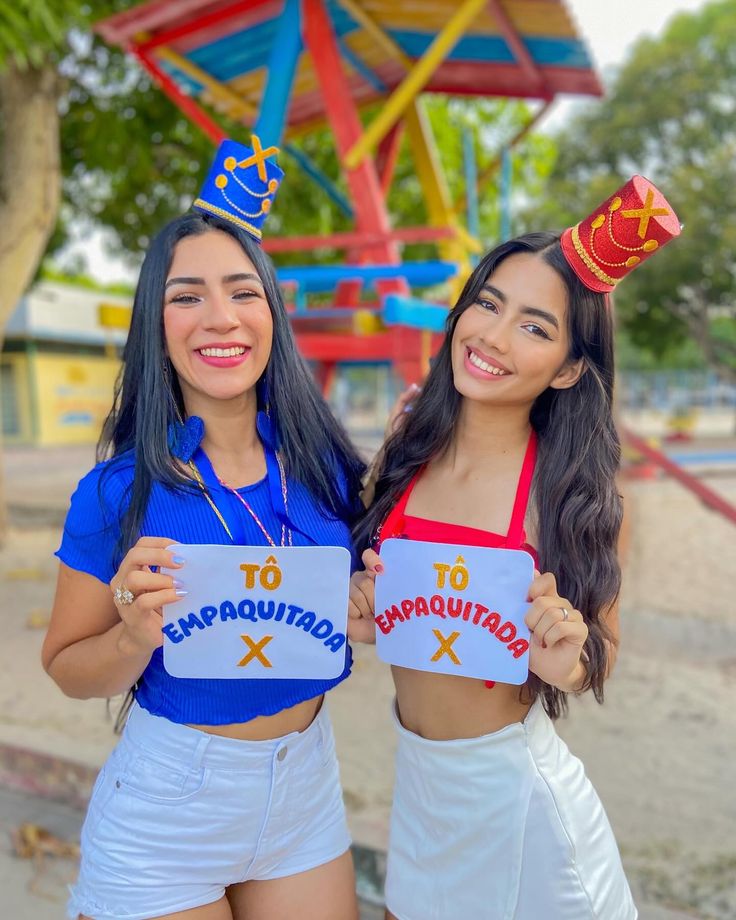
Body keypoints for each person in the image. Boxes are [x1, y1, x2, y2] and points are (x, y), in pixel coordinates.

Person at [42, 137, 366, 920]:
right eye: (187, 296)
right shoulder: (116, 492)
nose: (220, 318)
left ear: (272, 311)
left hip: (306, 793)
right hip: (169, 805)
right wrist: (130, 637)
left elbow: (372, 591)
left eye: (242, 291)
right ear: (156, 322)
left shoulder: (327, 465)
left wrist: (366, 603)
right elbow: (65, 666)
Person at [348, 177, 681, 919]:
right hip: (419, 795)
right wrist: (361, 605)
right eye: (488, 304)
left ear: (566, 368)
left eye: (534, 326)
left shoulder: (572, 497)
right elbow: (376, 595)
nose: (493, 337)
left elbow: (599, 652)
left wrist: (566, 655)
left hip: (524, 810)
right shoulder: (406, 453)